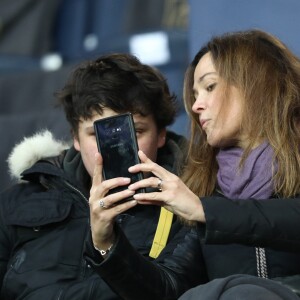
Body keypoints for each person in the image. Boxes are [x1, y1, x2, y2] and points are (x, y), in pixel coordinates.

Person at [85, 29, 300, 299]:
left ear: (257, 82)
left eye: (210, 87)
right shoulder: (208, 186)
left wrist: (205, 211)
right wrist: (106, 243)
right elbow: (167, 288)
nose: (196, 105)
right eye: (195, 94)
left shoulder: (203, 206)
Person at [0, 53, 188, 299]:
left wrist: (107, 245)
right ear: (75, 139)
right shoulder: (20, 200)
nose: (115, 149)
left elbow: (171, 292)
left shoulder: (189, 204)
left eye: (136, 131)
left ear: (161, 135)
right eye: (96, 134)